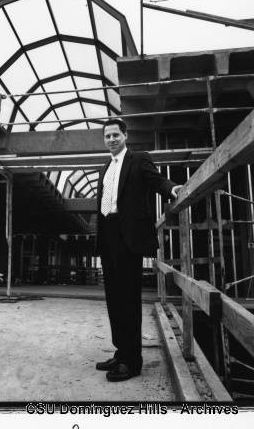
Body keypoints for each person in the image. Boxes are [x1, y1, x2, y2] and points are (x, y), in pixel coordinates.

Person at [95, 117, 181, 382]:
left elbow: (156, 181)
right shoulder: (105, 167)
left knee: (128, 299)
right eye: (107, 136)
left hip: (128, 236)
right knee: (114, 298)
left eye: (115, 135)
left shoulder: (138, 159)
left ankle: (132, 362)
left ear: (125, 136)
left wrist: (172, 188)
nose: (111, 140)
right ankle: (121, 352)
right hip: (108, 235)